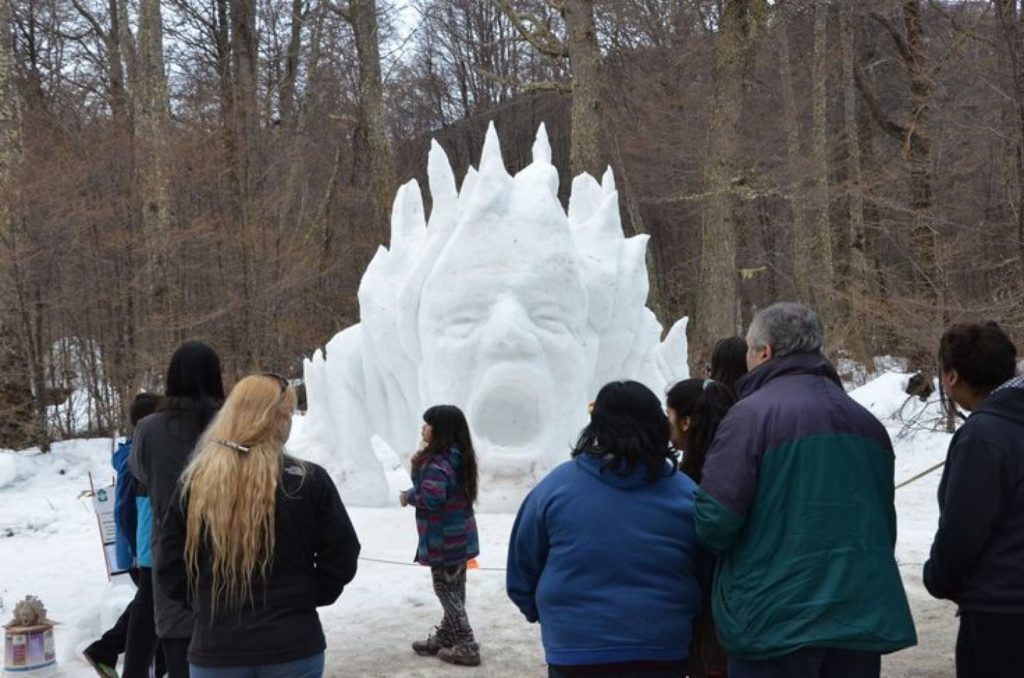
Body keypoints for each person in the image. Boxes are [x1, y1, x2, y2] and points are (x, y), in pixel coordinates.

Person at [695, 302, 916, 677]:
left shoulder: (749, 417)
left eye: (749, 350)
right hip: (856, 619)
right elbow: (881, 522)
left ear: (763, 352)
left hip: (774, 622)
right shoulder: (865, 423)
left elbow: (715, 521)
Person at [156, 373, 361, 678]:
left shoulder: (196, 483)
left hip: (217, 647)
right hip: (292, 644)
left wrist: (201, 601)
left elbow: (169, 563)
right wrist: (308, 595)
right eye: (287, 414)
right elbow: (342, 555)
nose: (290, 422)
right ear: (273, 419)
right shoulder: (307, 480)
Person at [507, 380, 709, 678]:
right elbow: (709, 571)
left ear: (596, 427)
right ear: (658, 425)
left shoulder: (555, 488)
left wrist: (554, 616)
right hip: (662, 648)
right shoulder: (686, 494)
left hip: (575, 650)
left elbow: (521, 569)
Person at [923, 321, 1024, 677]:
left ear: (952, 377)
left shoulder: (983, 436)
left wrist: (937, 577)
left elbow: (963, 529)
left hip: (1001, 613)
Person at [127, 341, 225, 678]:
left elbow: (139, 472)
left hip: (171, 554)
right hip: (231, 550)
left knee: (181, 649)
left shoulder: (150, 429)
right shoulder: (233, 424)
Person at [83, 393, 161, 678]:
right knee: (150, 608)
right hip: (142, 552)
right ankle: (105, 650)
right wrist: (134, 551)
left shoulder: (138, 452)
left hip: (144, 549)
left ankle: (113, 653)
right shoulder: (134, 459)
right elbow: (124, 509)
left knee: (153, 609)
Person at [399, 405, 481, 667]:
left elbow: (431, 497)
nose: (423, 428)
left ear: (441, 430)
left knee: (444, 587)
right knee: (455, 588)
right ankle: (447, 635)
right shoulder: (458, 455)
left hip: (443, 538)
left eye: (427, 424)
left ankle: (466, 643)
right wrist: (417, 465)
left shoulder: (438, 461)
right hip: (460, 535)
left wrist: (407, 496)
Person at [666, 378, 736, 678]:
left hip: (708, 617)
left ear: (685, 422)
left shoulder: (688, 482)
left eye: (669, 416)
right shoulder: (741, 462)